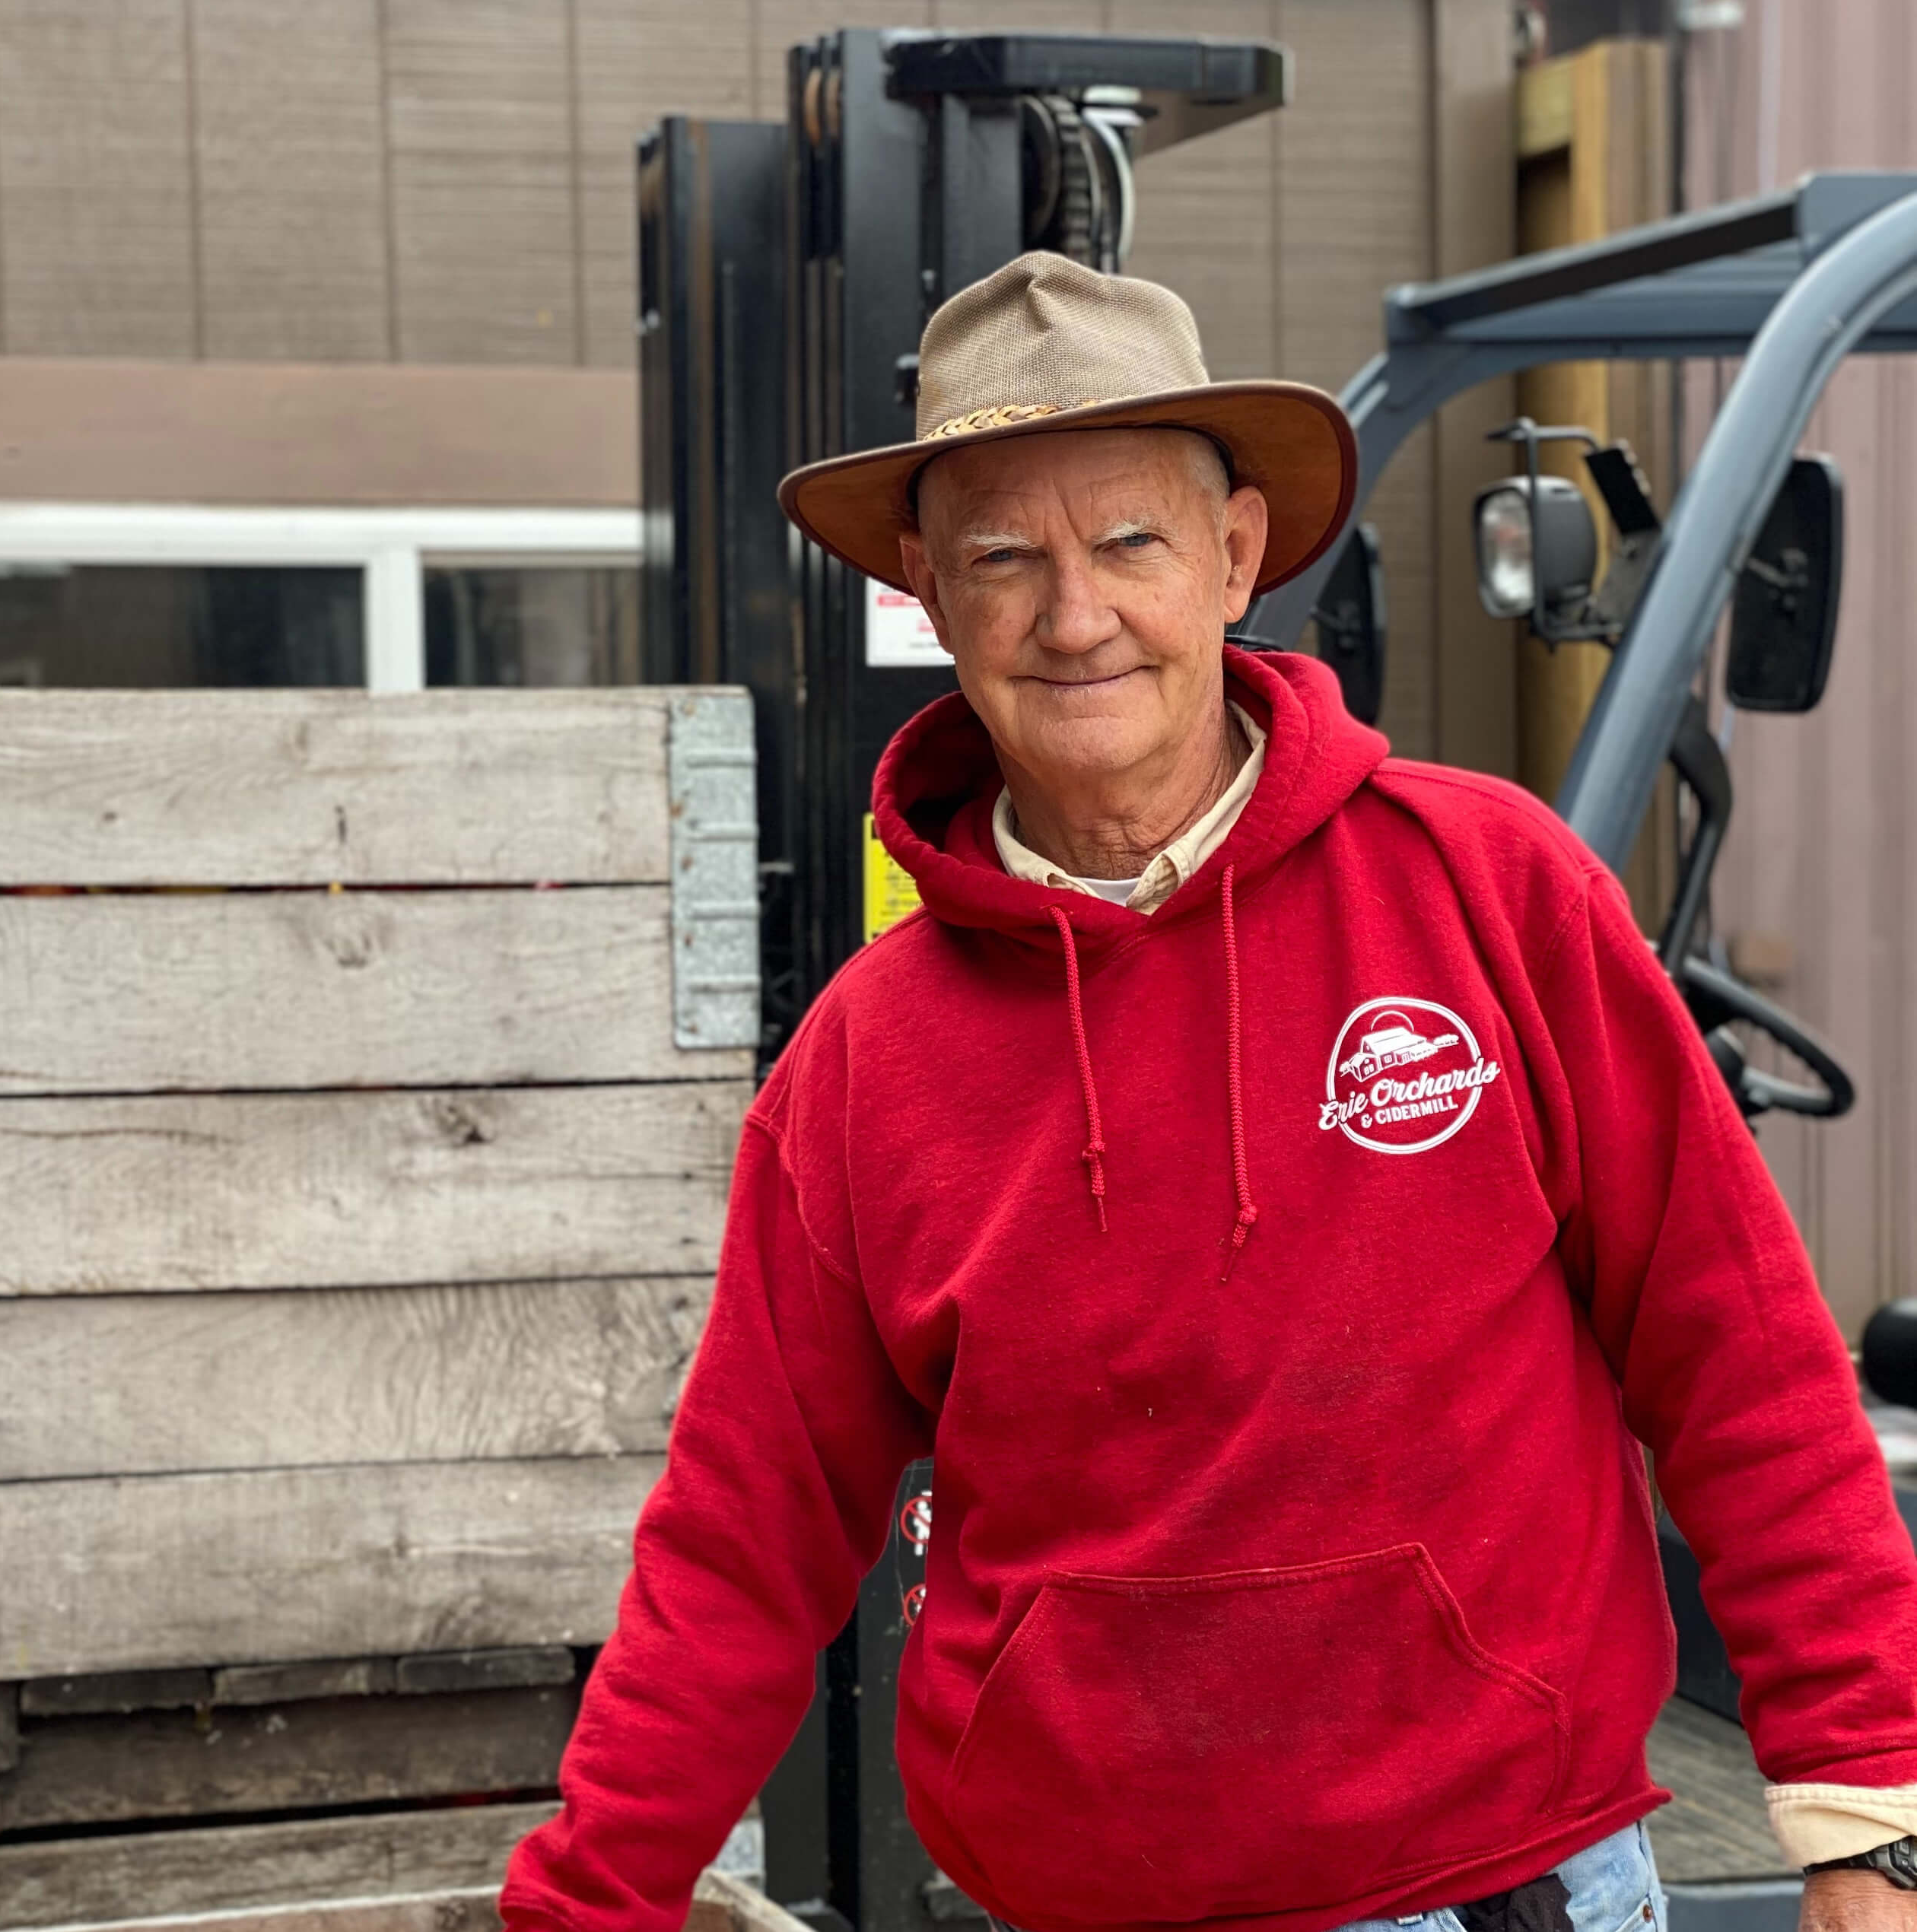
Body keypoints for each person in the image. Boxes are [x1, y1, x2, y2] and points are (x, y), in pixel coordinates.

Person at [500, 253, 1917, 1932]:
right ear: (926, 592)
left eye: (1130, 544)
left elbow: (1738, 1356)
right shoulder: (866, 1064)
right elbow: (744, 1537)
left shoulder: (1493, 893)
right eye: (1003, 558)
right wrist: (591, 1899)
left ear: (1237, 554)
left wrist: (1865, 1824)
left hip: (1495, 1895)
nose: (1073, 614)